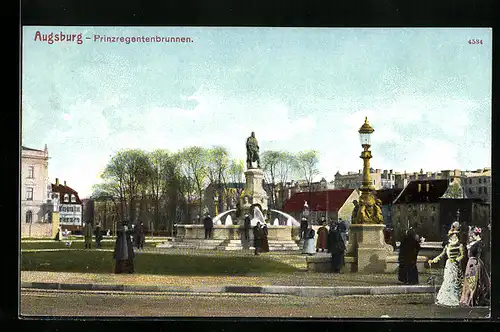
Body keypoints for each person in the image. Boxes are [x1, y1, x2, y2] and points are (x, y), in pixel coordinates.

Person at [428, 226, 465, 306]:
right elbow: (441, 255)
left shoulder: (459, 245)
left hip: (455, 265)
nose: (454, 236)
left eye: (455, 235)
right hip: (448, 265)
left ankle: (456, 297)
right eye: (452, 235)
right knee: (447, 281)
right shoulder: (447, 246)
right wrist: (433, 260)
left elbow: (462, 255)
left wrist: (456, 260)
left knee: (455, 281)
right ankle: (446, 297)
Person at [460, 227, 491, 307]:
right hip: (471, 263)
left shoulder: (479, 243)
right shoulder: (475, 242)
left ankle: (472, 298)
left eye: (472, 234)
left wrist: (475, 262)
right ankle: (468, 298)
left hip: (474, 264)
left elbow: (478, 254)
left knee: (473, 281)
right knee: (469, 280)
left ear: (475, 234)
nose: (471, 235)